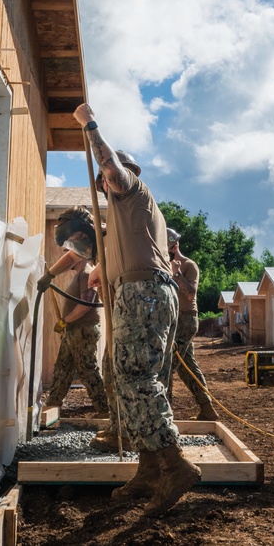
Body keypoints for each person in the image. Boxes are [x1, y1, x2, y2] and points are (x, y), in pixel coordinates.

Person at [72, 102, 201, 517]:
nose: (106, 183)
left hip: (143, 295)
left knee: (135, 377)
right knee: (137, 377)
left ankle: (175, 464)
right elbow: (114, 265)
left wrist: (90, 126)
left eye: (107, 178)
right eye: (104, 181)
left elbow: (110, 166)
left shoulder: (132, 191)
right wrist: (99, 274)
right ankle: (149, 468)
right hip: (147, 293)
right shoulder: (127, 220)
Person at [39, 206, 110, 417]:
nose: (73, 249)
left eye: (73, 239)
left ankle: (105, 410)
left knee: (89, 370)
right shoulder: (85, 252)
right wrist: (49, 275)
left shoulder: (92, 265)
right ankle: (52, 405)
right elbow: (70, 257)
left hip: (84, 328)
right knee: (63, 368)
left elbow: (87, 304)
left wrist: (65, 321)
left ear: (82, 232)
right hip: (74, 329)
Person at [166, 228, 219, 421]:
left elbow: (190, 294)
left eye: (167, 249)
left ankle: (165, 412)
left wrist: (177, 273)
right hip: (173, 319)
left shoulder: (189, 265)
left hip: (186, 320)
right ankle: (207, 408)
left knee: (168, 363)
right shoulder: (164, 266)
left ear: (175, 246)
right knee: (186, 364)